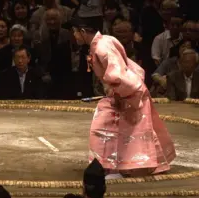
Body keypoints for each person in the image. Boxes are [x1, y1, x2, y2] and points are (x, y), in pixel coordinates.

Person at [70, 16, 176, 179]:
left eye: (75, 32)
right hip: (124, 90)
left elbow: (118, 73)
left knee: (103, 125)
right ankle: (115, 166)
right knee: (116, 126)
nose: (74, 36)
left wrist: (121, 94)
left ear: (83, 32)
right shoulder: (100, 43)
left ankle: (112, 168)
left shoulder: (101, 47)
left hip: (129, 91)